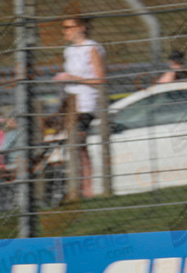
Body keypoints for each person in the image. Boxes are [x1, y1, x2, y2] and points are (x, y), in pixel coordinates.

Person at [53, 15, 105, 198]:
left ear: (81, 27)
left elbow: (100, 79)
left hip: (87, 104)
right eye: (63, 27)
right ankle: (83, 188)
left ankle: (87, 188)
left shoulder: (92, 48)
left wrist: (72, 78)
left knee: (77, 142)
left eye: (68, 27)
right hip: (71, 104)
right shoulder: (68, 51)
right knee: (78, 146)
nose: (64, 31)